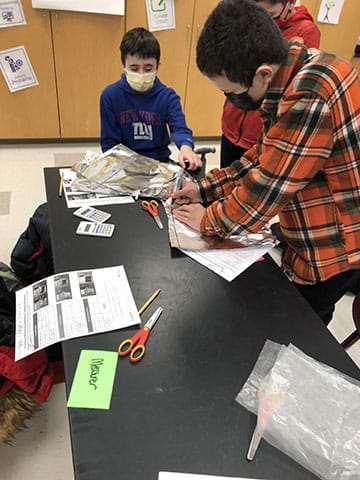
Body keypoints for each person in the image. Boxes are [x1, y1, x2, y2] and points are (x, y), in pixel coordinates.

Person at [171, 0, 360, 325]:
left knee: (299, 327)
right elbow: (262, 157)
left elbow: (265, 192)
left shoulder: (307, 98)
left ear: (263, 74)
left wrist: (207, 219)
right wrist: (204, 188)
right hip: (322, 226)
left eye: (232, 92)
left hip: (332, 248)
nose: (233, 100)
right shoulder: (304, 68)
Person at [221, 0, 320, 168]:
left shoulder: (305, 32)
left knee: (250, 185)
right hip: (233, 122)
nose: (261, 23)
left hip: (261, 132)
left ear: (291, 3)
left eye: (270, 16)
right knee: (227, 178)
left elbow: (292, 89)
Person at [100, 27, 201, 170]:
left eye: (148, 68)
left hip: (159, 163)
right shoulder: (110, 95)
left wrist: (186, 147)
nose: (141, 74)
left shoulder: (168, 96)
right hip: (124, 165)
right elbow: (109, 142)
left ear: (157, 66)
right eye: (134, 68)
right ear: (123, 65)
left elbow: (180, 129)